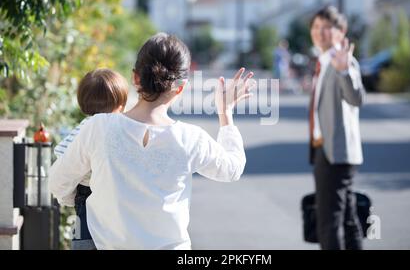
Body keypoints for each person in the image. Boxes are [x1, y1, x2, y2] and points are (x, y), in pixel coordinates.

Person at [49, 33, 255, 249]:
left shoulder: (98, 127)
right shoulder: (191, 138)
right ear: (181, 87)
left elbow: (57, 183)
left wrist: (90, 203)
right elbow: (232, 168)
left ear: (135, 78)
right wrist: (226, 112)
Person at [308, 6, 365, 250]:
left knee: (328, 223)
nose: (319, 32)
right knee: (348, 220)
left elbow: (356, 98)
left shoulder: (343, 61)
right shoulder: (322, 62)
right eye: (316, 27)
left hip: (336, 153)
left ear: (341, 32)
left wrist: (343, 71)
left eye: (326, 27)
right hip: (324, 150)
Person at [53, 68, 128, 250]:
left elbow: (62, 157)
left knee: (85, 244)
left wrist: (70, 198)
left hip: (85, 201)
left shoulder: (82, 129)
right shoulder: (124, 130)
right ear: (120, 104)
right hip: (116, 200)